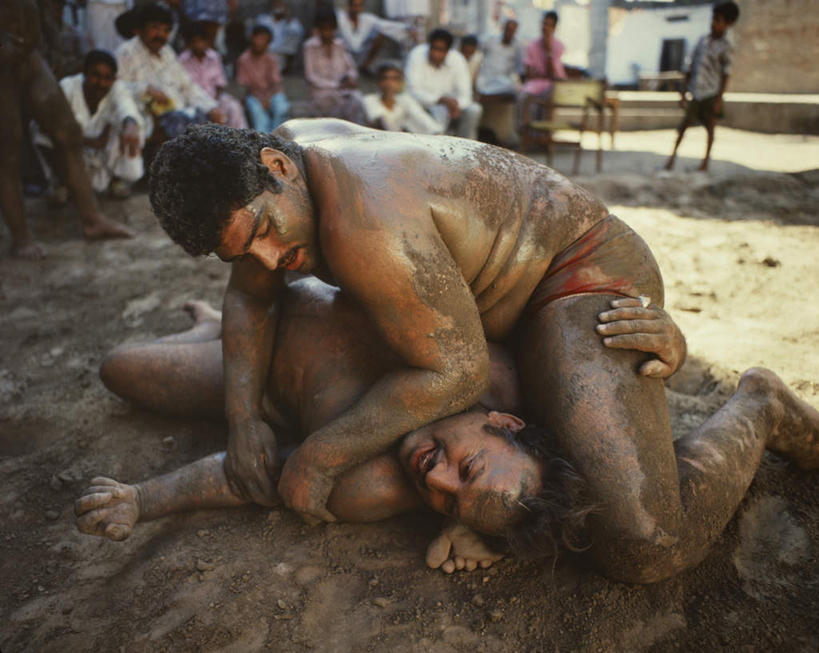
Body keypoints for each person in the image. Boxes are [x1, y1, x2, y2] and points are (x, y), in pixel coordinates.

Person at [144, 121, 819, 583]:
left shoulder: (363, 219)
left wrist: (319, 456)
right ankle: (515, 496)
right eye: (244, 250)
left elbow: (456, 371)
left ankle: (760, 403)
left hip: (574, 285)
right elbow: (250, 298)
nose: (271, 260)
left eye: (264, 231)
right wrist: (243, 420)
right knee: (508, 462)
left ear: (277, 168)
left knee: (645, 546)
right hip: (474, 317)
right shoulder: (279, 172)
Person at [76, 278, 683, 563]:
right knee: (233, 311)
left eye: (447, 503)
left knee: (119, 368)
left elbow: (251, 475)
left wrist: (142, 498)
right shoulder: (512, 371)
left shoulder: (376, 483)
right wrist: (667, 344)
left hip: (259, 381)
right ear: (506, 422)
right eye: (467, 467)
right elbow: (605, 377)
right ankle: (216, 321)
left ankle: (213, 334)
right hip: (290, 296)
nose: (436, 480)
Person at [0, 0, 133, 259]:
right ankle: (21, 237)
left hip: (29, 55)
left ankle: (92, 218)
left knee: (67, 132)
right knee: (7, 152)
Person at [37, 49, 145, 199]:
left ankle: (116, 181)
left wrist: (131, 124)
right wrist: (91, 142)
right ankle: (61, 183)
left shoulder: (116, 88)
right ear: (85, 73)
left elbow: (126, 108)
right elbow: (47, 125)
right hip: (70, 154)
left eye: (107, 78)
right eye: (95, 75)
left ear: (113, 79)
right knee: (41, 135)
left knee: (131, 125)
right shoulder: (67, 87)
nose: (101, 83)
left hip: (100, 160)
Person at [115, 3, 226, 141]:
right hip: (144, 118)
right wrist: (145, 89)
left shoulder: (166, 52)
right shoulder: (126, 52)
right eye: (154, 28)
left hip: (179, 116)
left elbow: (188, 87)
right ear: (140, 29)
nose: (160, 35)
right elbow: (117, 88)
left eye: (166, 30)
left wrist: (211, 107)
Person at [665, 1, 740, 172]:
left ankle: (705, 162)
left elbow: (726, 74)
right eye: (713, 18)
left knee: (710, 128)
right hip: (696, 92)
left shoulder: (725, 47)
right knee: (684, 126)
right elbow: (690, 67)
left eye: (718, 19)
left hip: (711, 93)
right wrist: (683, 91)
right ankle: (671, 160)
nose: (713, 22)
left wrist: (719, 99)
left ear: (727, 23)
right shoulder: (703, 41)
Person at [405, 28, 482, 140]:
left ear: (448, 51)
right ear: (429, 46)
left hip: (450, 109)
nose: (436, 54)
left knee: (474, 110)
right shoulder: (417, 54)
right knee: (406, 101)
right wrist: (439, 100)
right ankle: (437, 135)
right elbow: (413, 91)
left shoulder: (457, 59)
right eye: (434, 48)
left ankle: (466, 148)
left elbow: (466, 95)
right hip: (423, 106)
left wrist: (454, 105)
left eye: (441, 50)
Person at [302, 9, 366, 124]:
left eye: (330, 29)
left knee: (357, 98)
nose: (327, 32)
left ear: (334, 29)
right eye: (323, 29)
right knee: (333, 104)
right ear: (318, 29)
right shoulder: (310, 46)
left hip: (342, 90)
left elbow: (352, 69)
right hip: (321, 93)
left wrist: (350, 78)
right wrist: (337, 85)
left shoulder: (340, 45)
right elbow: (311, 76)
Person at [179, 23, 248, 129]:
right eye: (195, 41)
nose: (198, 45)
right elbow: (183, 89)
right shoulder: (182, 60)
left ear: (207, 42)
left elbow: (220, 84)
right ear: (189, 43)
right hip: (193, 101)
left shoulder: (215, 57)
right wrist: (207, 107)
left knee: (234, 107)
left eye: (201, 41)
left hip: (215, 98)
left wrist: (214, 104)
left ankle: (242, 139)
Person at [362, 61, 442, 134]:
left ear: (400, 82)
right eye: (385, 78)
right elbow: (381, 123)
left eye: (394, 79)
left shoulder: (405, 100)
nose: (389, 83)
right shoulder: (369, 100)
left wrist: (437, 132)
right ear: (379, 81)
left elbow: (424, 120)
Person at [236, 25, 289, 133]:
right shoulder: (244, 59)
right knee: (259, 116)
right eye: (258, 38)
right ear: (252, 38)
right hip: (253, 95)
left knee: (282, 108)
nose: (260, 42)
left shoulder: (271, 58)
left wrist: (267, 98)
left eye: (264, 40)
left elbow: (276, 83)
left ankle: (276, 137)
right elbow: (245, 86)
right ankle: (263, 139)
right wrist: (260, 99)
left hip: (272, 93)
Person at [336, 0, 412, 73]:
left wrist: (408, 28)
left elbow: (386, 25)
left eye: (359, 5)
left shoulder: (367, 19)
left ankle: (364, 66)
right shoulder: (340, 18)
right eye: (354, 5)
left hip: (361, 54)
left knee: (381, 34)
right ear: (349, 6)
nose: (357, 8)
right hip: (343, 54)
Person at [519, 10, 566, 125]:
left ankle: (543, 137)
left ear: (554, 27)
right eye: (544, 24)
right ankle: (526, 134)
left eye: (549, 25)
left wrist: (548, 51)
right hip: (535, 84)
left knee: (546, 101)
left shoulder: (558, 46)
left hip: (552, 86)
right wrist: (540, 75)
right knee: (524, 98)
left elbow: (551, 75)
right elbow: (529, 73)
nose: (545, 28)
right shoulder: (532, 45)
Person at [476, 18, 521, 98]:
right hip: (486, 78)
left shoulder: (517, 47)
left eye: (512, 31)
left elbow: (518, 69)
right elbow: (477, 51)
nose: (509, 33)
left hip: (502, 81)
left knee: (514, 88)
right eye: (508, 29)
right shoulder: (490, 40)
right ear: (503, 28)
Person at [254, 0, 303, 74]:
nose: (278, 6)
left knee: (294, 34)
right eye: (276, 3)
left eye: (281, 4)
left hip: (281, 54)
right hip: (264, 52)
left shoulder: (291, 22)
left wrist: (287, 18)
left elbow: (297, 33)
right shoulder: (263, 19)